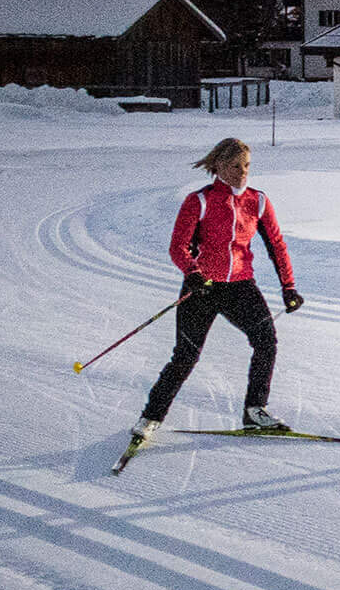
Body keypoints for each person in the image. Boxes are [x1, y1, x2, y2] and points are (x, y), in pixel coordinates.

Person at [127, 137, 303, 454]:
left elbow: (277, 246)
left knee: (266, 340)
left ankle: (254, 412)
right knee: (185, 357)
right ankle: (150, 418)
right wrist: (193, 274)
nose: (242, 173)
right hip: (202, 288)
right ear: (219, 166)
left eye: (246, 166)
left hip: (240, 286)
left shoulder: (258, 201)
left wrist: (288, 287)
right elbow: (178, 246)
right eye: (235, 166)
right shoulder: (200, 201)